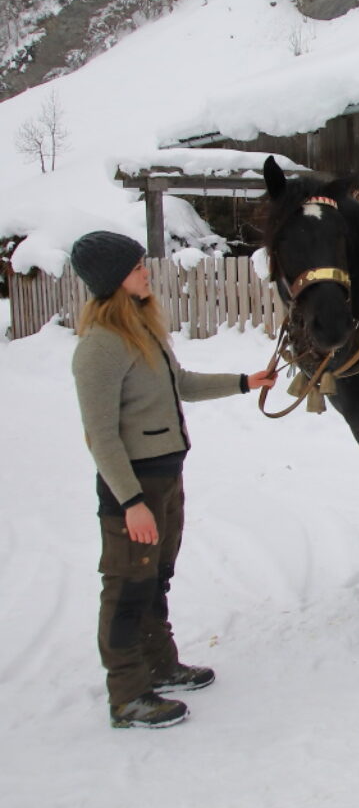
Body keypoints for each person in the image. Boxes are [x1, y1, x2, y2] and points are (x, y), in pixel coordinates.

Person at [69, 231, 276, 729]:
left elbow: (182, 384)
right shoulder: (100, 347)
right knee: (126, 588)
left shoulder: (143, 329)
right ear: (112, 279)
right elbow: (101, 436)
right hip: (133, 488)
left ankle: (161, 665)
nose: (146, 273)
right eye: (136, 268)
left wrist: (244, 382)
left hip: (165, 477)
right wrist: (131, 502)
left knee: (155, 579)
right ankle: (127, 696)